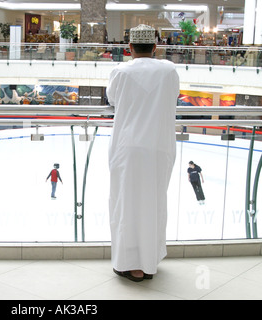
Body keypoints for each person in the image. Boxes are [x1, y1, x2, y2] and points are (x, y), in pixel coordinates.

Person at [106, 24, 180, 282]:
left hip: (127, 148)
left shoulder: (121, 71)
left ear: (129, 47)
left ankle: (128, 263)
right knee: (154, 202)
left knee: (126, 203)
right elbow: (173, 96)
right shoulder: (169, 70)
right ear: (156, 47)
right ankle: (149, 261)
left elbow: (113, 99)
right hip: (159, 147)